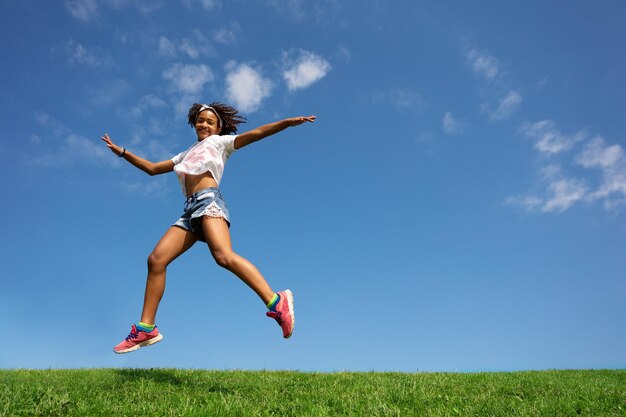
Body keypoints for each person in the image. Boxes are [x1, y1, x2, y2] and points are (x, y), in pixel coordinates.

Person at [101, 102, 316, 354]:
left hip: (208, 201)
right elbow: (152, 169)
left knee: (223, 256)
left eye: (210, 122)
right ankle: (146, 327)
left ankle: (276, 301)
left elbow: (257, 133)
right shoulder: (185, 154)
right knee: (156, 260)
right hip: (189, 210)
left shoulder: (220, 143)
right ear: (194, 123)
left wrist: (286, 123)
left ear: (219, 127)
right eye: (200, 120)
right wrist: (122, 152)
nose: (204, 124)